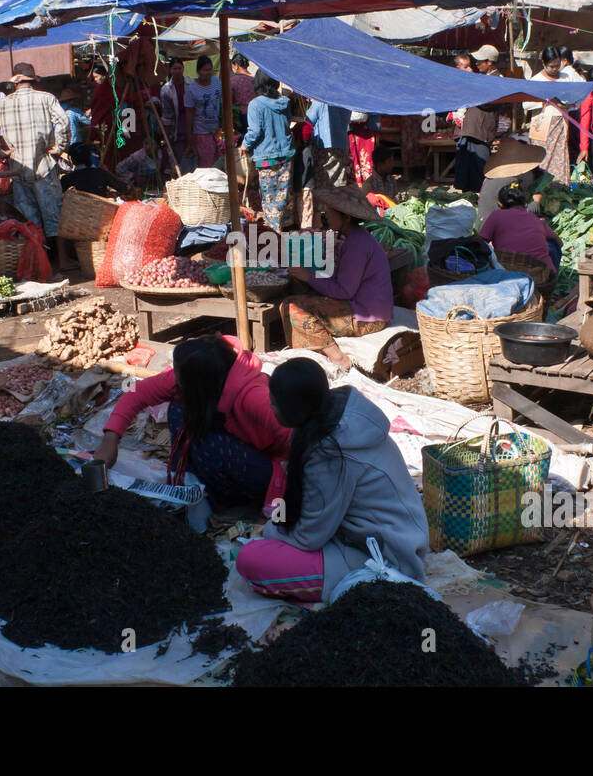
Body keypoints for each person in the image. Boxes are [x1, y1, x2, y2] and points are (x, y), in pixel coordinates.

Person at [234, 357, 428, 604]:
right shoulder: (328, 417)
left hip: (385, 557)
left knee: (251, 558)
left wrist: (272, 530)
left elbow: (309, 537)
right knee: (277, 524)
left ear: (293, 409)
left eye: (274, 404)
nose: (270, 408)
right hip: (362, 536)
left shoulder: (331, 451)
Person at [90, 335, 290, 512]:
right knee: (179, 410)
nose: (174, 381)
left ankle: (223, 499)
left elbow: (303, 440)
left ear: (201, 384)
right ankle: (188, 484)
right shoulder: (197, 376)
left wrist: (287, 496)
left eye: (179, 376)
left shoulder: (254, 397)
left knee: (207, 441)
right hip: (236, 443)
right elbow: (137, 393)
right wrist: (111, 438)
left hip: (274, 468)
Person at [282, 186, 392, 371]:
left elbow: (343, 290)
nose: (327, 217)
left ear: (346, 218)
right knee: (294, 302)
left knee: (294, 309)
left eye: (331, 214)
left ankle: (339, 358)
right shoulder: (356, 238)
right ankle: (308, 355)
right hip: (368, 308)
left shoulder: (357, 244)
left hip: (368, 317)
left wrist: (308, 276)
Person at [0, 62, 71, 271]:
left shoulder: (3, 104)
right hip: (44, 164)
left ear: (15, 81)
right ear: (32, 80)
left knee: (30, 220)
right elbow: (64, 123)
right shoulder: (46, 98)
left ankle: (40, 263)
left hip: (18, 168)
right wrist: (58, 149)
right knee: (54, 214)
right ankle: (62, 262)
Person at [242, 70, 295, 230]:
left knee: (270, 199)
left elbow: (255, 132)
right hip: (286, 155)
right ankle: (285, 233)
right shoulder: (285, 102)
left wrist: (244, 144)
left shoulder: (255, 104)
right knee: (283, 197)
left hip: (266, 158)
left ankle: (274, 234)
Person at [480, 180, 560, 274]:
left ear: (500, 204)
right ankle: (553, 276)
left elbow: (481, 242)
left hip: (509, 279)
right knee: (552, 243)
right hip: (545, 281)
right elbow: (560, 243)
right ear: (524, 203)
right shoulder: (536, 219)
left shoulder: (496, 215)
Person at [523, 46, 576, 183]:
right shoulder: (536, 80)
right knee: (543, 159)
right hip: (543, 126)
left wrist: (569, 102)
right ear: (543, 63)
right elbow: (526, 104)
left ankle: (560, 187)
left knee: (560, 157)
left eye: (557, 66)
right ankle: (541, 190)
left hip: (561, 124)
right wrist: (546, 100)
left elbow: (572, 97)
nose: (555, 69)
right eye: (551, 66)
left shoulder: (566, 77)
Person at [183, 55, 222, 170]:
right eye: (205, 70)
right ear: (198, 71)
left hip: (217, 130)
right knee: (207, 165)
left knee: (220, 162)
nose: (208, 73)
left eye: (210, 69)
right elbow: (189, 113)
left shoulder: (216, 81)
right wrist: (190, 135)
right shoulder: (192, 90)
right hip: (202, 133)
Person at [59, 141, 129, 197]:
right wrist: (108, 172)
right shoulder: (101, 173)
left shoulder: (68, 178)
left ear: (72, 160)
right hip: (99, 211)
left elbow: (57, 194)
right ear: (89, 157)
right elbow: (124, 188)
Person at [158, 56, 191, 166]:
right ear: (170, 70)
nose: (177, 71)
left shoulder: (191, 84)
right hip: (177, 126)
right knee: (180, 156)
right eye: (174, 69)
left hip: (191, 122)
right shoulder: (166, 90)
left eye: (179, 68)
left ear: (183, 69)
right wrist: (167, 134)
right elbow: (167, 115)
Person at [230, 54, 256, 124]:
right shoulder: (255, 80)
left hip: (240, 116)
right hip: (255, 114)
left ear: (236, 65)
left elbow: (229, 101)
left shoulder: (232, 81)